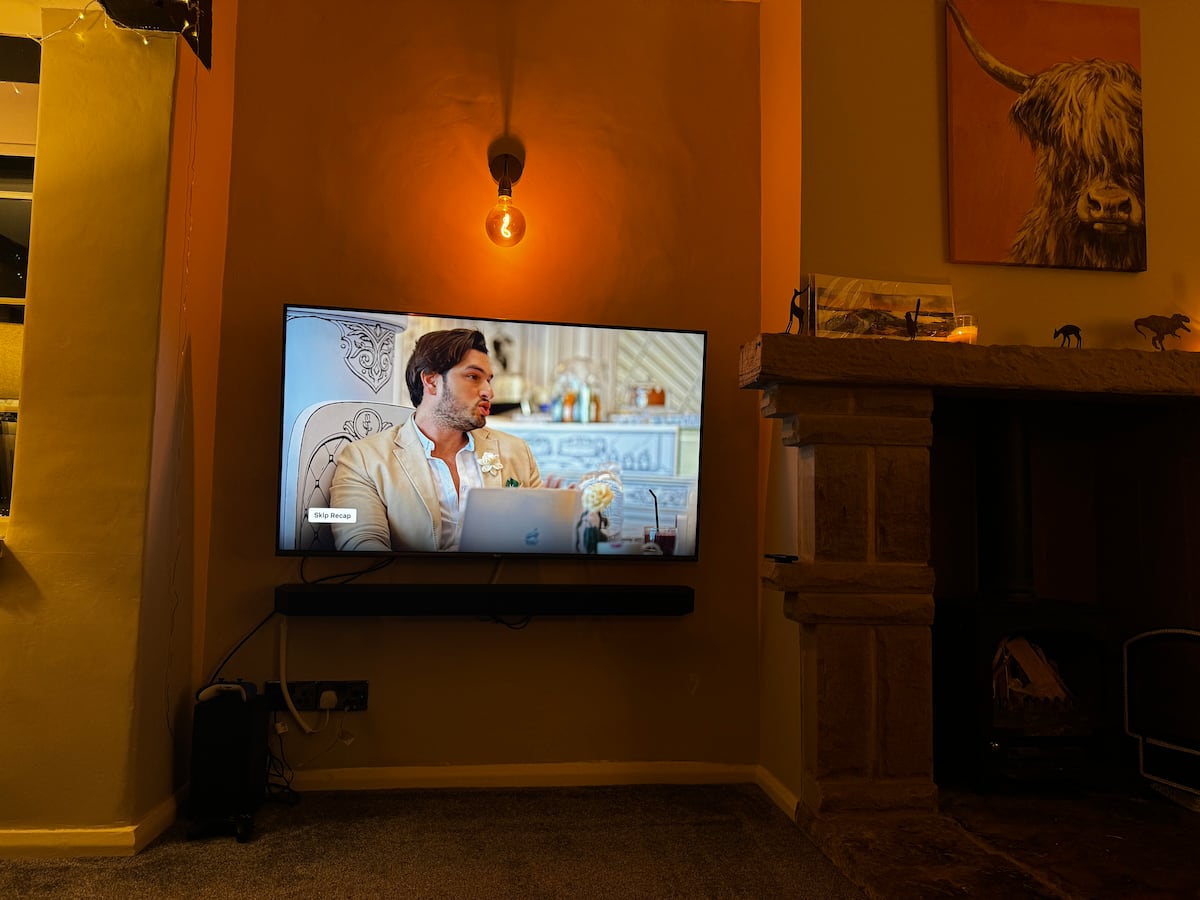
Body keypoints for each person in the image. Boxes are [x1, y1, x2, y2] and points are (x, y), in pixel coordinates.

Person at [330, 328, 545, 552]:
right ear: (431, 381)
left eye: (489, 380)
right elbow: (362, 550)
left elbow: (539, 540)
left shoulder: (517, 451)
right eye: (473, 377)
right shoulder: (364, 460)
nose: (489, 392)